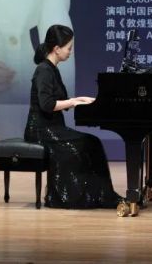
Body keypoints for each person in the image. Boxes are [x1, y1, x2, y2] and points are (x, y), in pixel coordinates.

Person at [24, 24, 122, 208]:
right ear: (56, 48)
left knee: (92, 143)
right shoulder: (44, 70)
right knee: (88, 143)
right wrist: (73, 102)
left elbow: (59, 99)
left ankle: (98, 196)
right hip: (41, 130)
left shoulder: (52, 69)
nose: (70, 52)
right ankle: (76, 196)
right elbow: (47, 105)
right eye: (69, 48)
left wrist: (80, 99)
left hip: (52, 127)